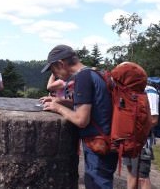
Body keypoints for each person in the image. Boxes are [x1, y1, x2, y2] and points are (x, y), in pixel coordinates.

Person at [40, 44, 118, 189]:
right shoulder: (94, 73)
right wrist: (60, 101)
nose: (55, 74)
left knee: (97, 184)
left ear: (60, 64)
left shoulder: (82, 78)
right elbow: (89, 105)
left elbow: (81, 120)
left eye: (53, 70)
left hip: (98, 146)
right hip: (108, 142)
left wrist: (57, 107)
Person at [123, 83, 159, 189]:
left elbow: (153, 120)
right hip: (128, 139)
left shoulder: (150, 91)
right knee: (131, 172)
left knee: (142, 177)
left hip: (142, 142)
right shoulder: (129, 89)